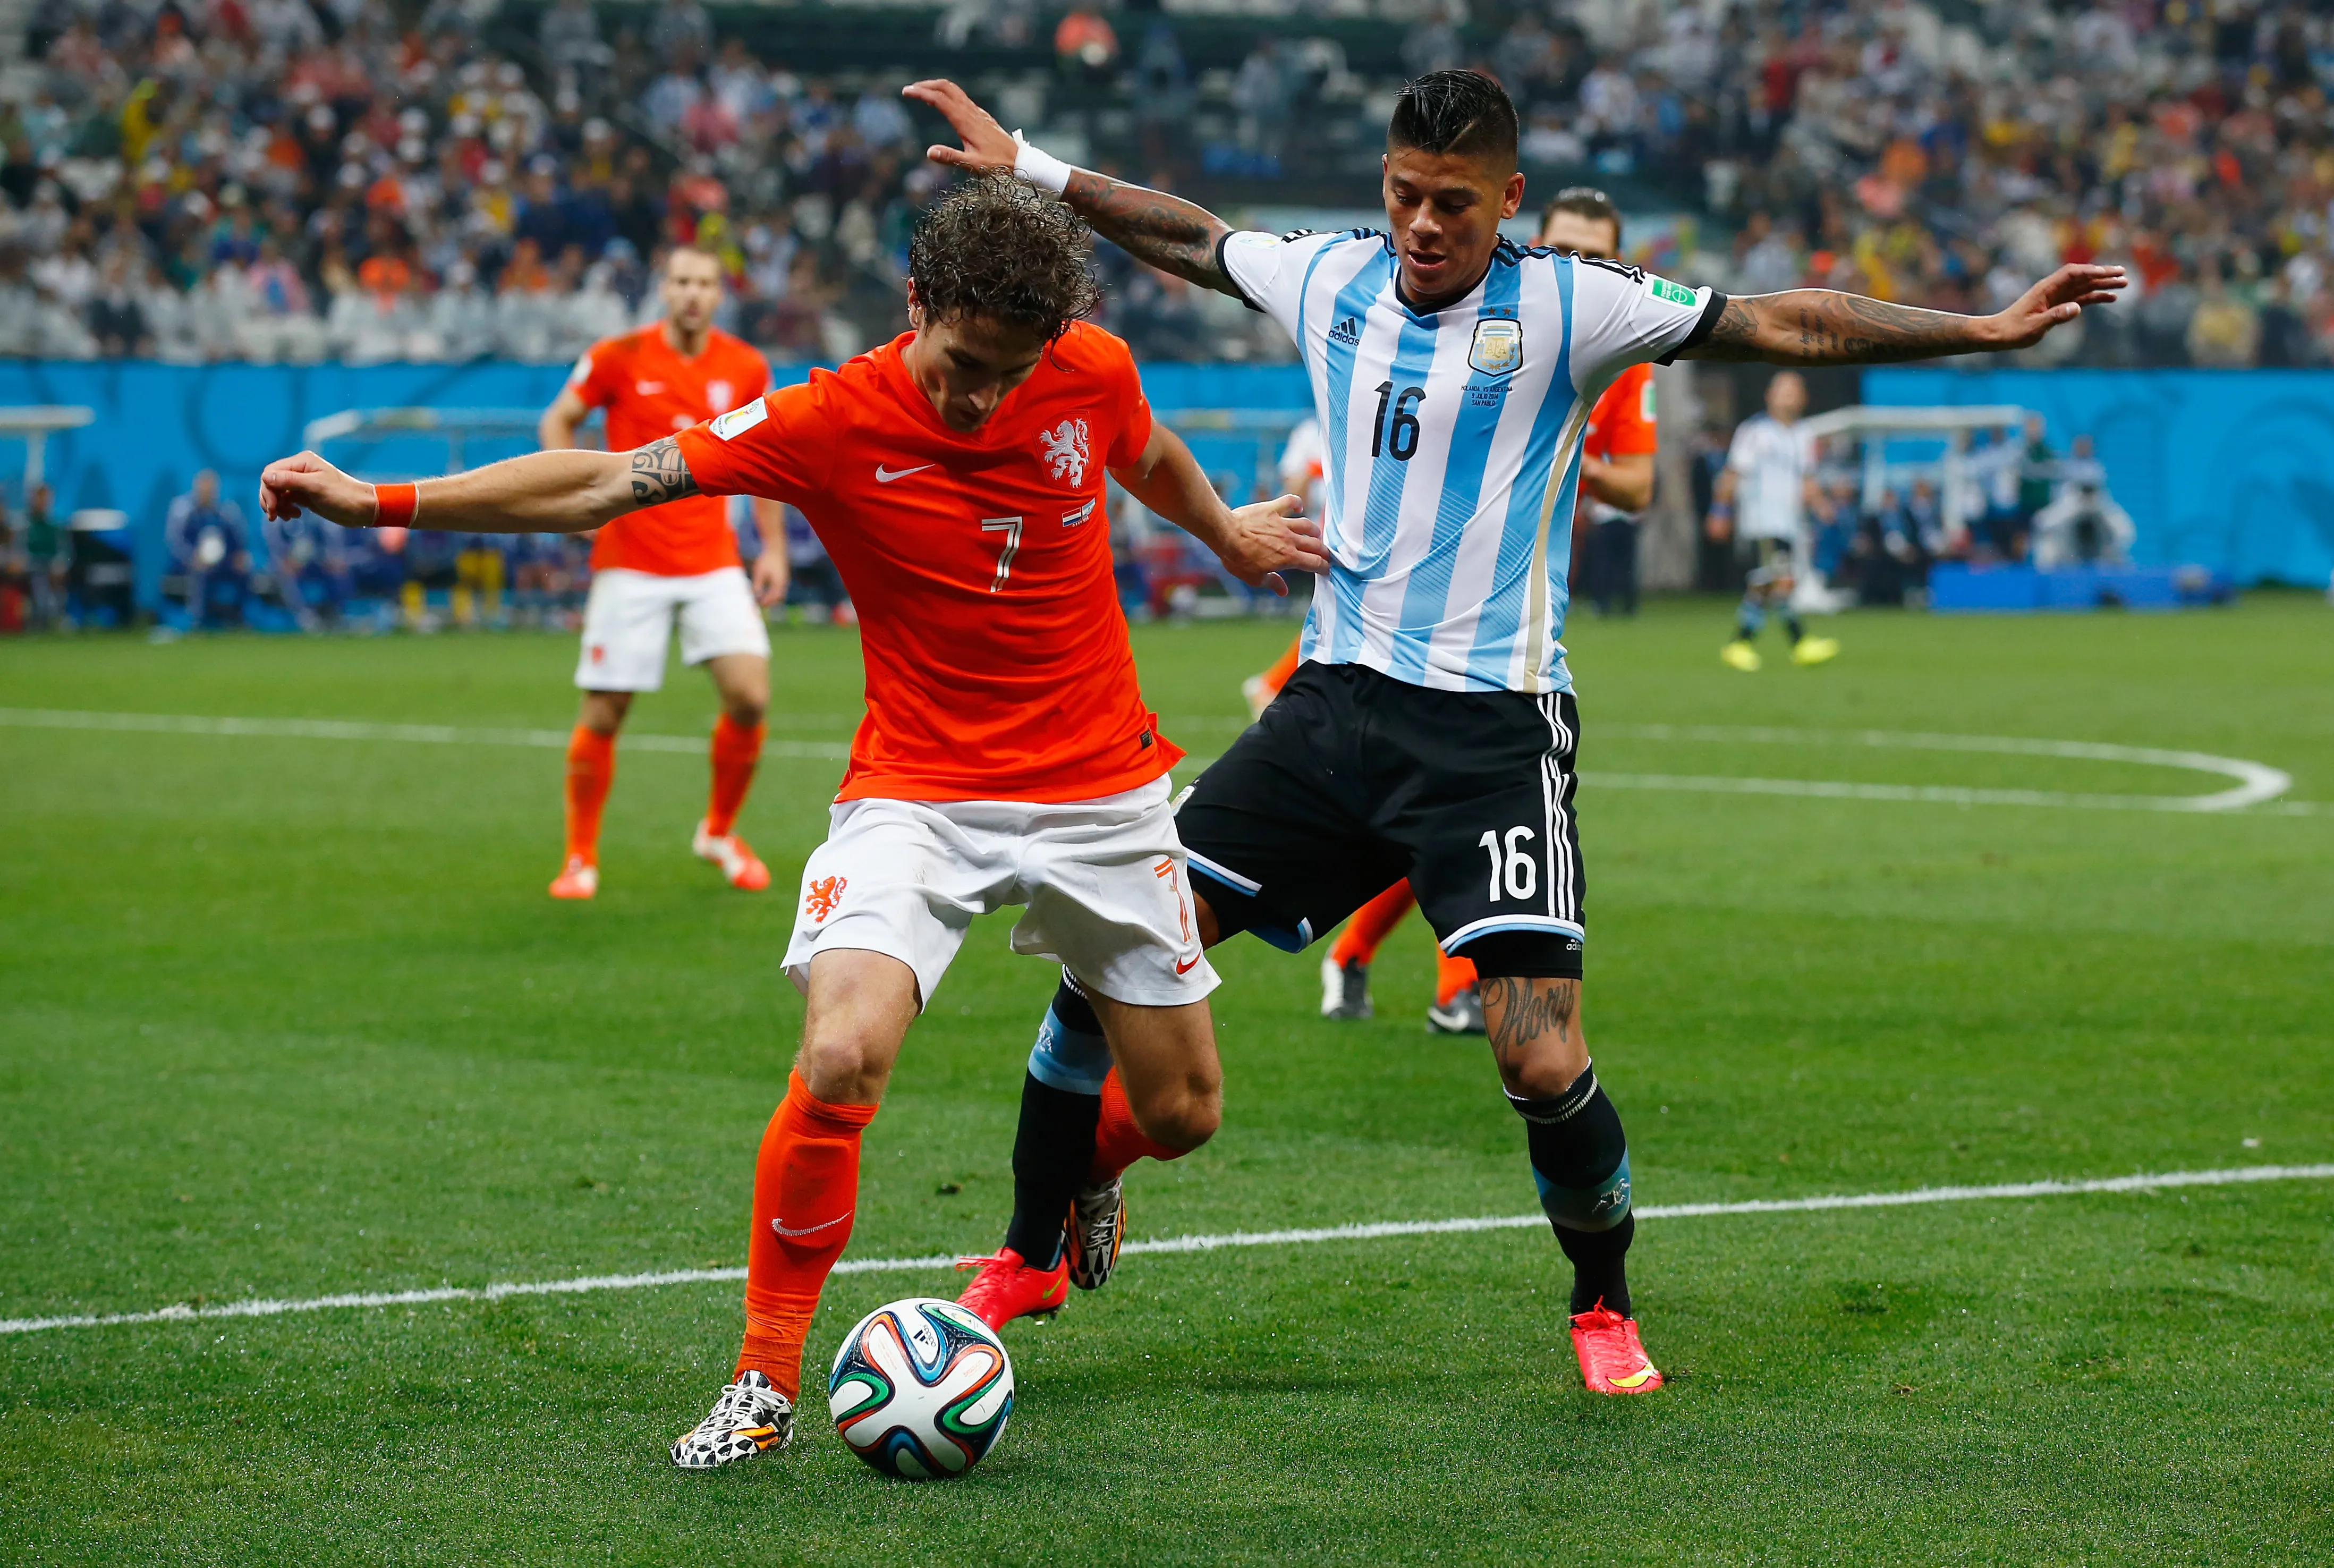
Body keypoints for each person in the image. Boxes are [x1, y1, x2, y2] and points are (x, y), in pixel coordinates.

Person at [909, 67, 2120, 1395]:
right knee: (1103, 955)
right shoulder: (1329, 276)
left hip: (1489, 735)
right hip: (1328, 713)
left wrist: (1982, 329)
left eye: (1454, 202)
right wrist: (1033, 167)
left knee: (1539, 1049)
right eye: (1404, 196)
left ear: (1509, 200)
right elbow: (1192, 235)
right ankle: (1027, 1248)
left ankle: (1601, 1303)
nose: (1424, 225)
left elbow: (1784, 320)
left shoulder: (1569, 302)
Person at [257, 175, 1327, 1470]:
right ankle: (762, 1379)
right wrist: (378, 499)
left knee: (1184, 1111)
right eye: (960, 366)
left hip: (1101, 789)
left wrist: (1225, 535)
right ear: (915, 302)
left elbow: (1141, 449)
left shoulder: (1088, 367)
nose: (980, 401)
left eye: (1008, 375)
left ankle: (1083, 1169)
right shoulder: (826, 416)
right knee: (838, 1054)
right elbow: (606, 479)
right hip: (916, 792)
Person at [1297, 185, 1661, 1037]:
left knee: (1439, 819)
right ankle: (1440, 980)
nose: (1579, 266)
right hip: (1404, 594)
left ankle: (1369, 957)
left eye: (1597, 255)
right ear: (1532, 242)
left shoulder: (1622, 351)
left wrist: (1560, 444)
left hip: (1516, 604)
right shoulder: (1485, 318)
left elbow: (1639, 486)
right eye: (1564, 250)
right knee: (1431, 809)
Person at [536, 244, 789, 901]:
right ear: (664, 288)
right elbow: (558, 417)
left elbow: (766, 459)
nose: (692, 293)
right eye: (681, 281)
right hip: (631, 560)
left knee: (750, 696)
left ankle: (718, 832)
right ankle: (579, 857)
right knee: (605, 710)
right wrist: (572, 500)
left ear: (719, 293)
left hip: (711, 558)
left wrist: (772, 548)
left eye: (704, 282)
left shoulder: (745, 366)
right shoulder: (618, 356)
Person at [1707, 371, 1838, 672]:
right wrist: (1720, 511)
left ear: (1803, 398)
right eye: (1782, 390)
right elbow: (1732, 473)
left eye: (1793, 391)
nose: (1788, 397)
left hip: (1789, 521)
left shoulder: (1804, 434)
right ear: (1769, 396)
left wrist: (1822, 506)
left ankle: (1748, 644)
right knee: (1780, 580)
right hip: (1761, 520)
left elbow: (1806, 478)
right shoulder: (1755, 432)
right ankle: (1790, 642)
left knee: (1769, 583)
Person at [164, 469, 251, 631]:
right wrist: (192, 558)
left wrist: (239, 557)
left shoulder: (226, 511)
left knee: (244, 570)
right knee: (200, 573)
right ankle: (197, 620)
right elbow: (176, 543)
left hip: (223, 563)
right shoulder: (184, 511)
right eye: (204, 488)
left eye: (211, 489)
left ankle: (239, 617)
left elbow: (238, 540)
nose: (207, 493)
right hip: (191, 563)